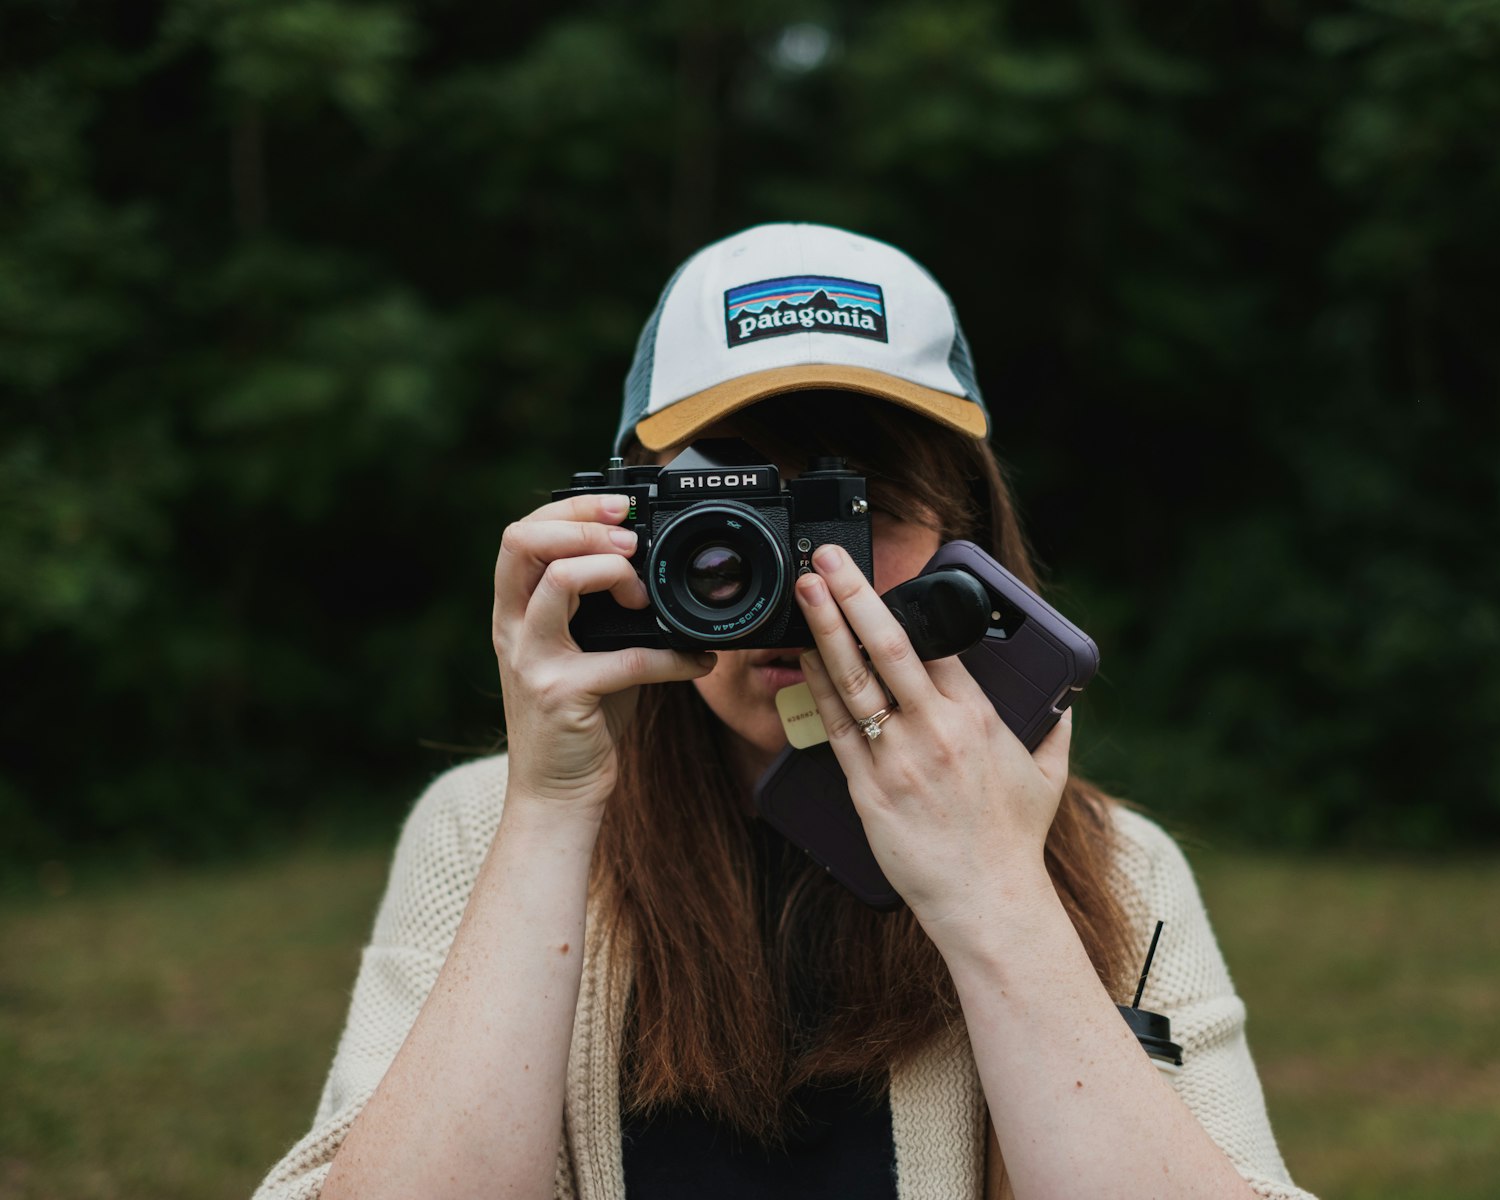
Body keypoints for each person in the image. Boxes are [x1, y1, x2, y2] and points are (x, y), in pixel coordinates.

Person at [254, 223, 1316, 1200]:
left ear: (971, 550)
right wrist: (549, 811)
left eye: (855, 514)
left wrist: (996, 895)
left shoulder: (1112, 866)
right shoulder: (487, 828)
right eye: (732, 520)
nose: (801, 584)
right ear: (618, 528)